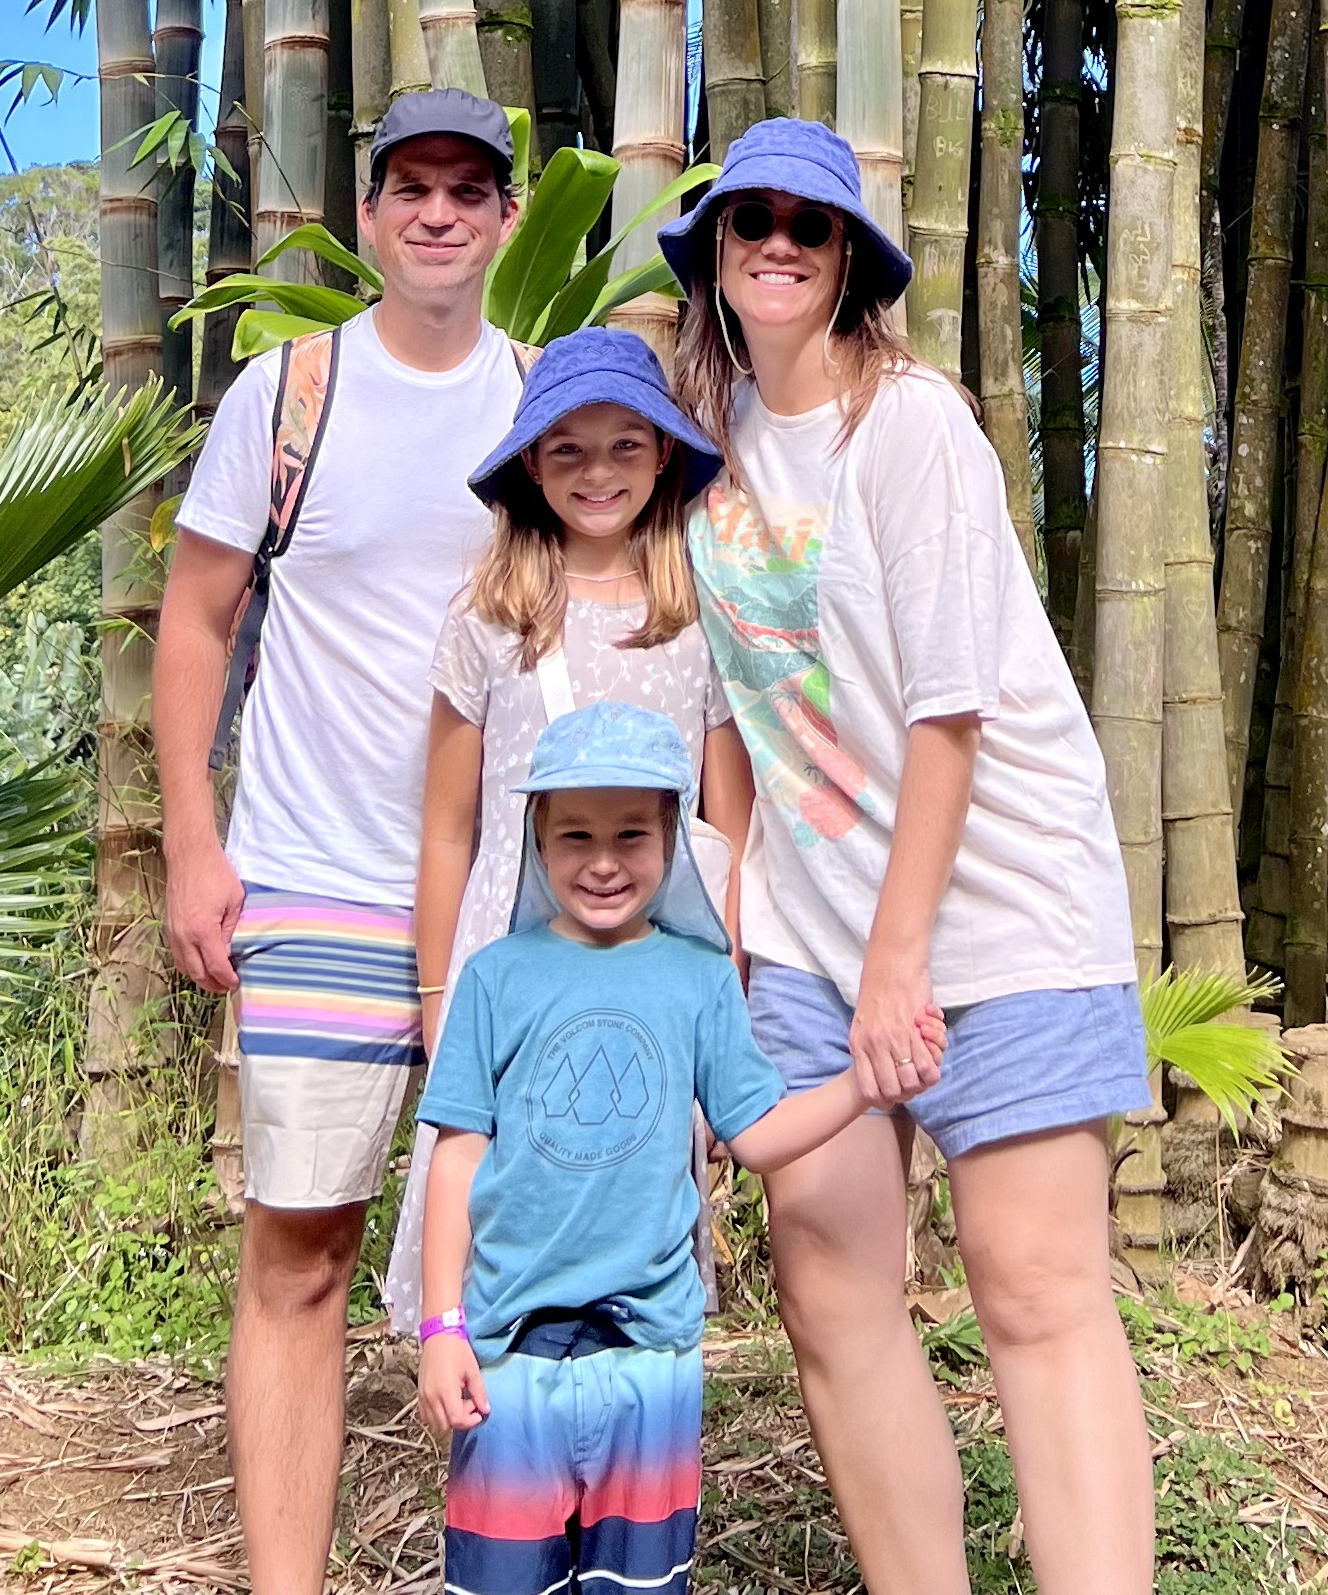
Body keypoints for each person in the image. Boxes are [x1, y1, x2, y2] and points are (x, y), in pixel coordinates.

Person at [666, 117, 1156, 1595]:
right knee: (825, 1282)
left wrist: (902, 966)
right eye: (747, 218)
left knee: (1035, 1285)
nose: (773, 243)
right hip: (812, 927)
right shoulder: (711, 443)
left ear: (846, 262)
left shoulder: (913, 425)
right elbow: (742, 700)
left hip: (998, 910)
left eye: (805, 227)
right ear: (714, 250)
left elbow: (948, 718)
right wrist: (730, 913)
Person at [154, 85, 525, 1595]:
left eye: (468, 190)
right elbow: (194, 618)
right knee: (299, 1254)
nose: (438, 213)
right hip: (314, 878)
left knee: (507, 1266)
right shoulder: (287, 395)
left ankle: (504, 1567)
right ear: (368, 218)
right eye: (410, 189)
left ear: (505, 219)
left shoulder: (546, 399)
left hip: (513, 901)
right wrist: (193, 840)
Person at [415, 701, 940, 1595]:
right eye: (576, 835)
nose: (606, 861)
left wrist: (862, 1088)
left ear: (673, 836)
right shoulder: (494, 978)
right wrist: (440, 1328)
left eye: (632, 833)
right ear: (538, 839)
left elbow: (761, 1134)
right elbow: (458, 1156)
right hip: (509, 1357)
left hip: (650, 1356)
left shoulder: (699, 979)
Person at [380, 323, 757, 1328]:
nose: (599, 473)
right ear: (530, 466)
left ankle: (623, 1465)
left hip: (654, 977)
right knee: (497, 1235)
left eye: (626, 445)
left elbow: (729, 824)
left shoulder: (697, 615)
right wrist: (436, 1001)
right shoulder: (491, 615)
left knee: (626, 1228)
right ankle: (504, 1462)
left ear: (665, 454)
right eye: (569, 450)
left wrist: (730, 1000)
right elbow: (449, 828)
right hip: (506, 961)